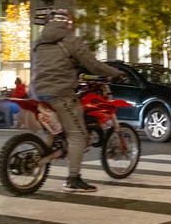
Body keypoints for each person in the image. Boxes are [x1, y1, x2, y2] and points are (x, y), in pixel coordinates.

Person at [31, 10, 125, 193]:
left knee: (60, 129)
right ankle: (73, 179)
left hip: (37, 94)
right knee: (78, 136)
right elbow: (94, 65)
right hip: (60, 93)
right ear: (67, 23)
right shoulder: (72, 41)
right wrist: (117, 73)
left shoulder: (38, 43)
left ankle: (53, 147)